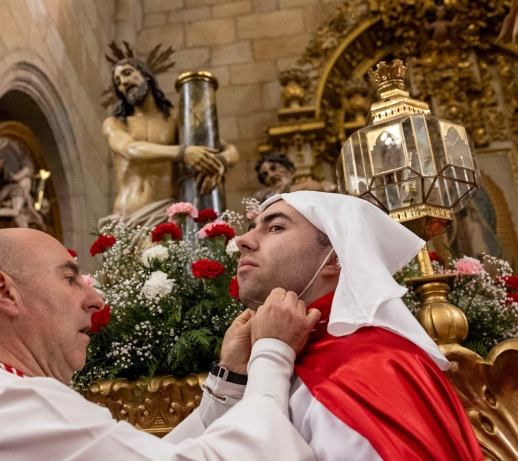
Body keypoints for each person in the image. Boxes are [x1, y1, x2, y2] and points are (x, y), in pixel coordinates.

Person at [0, 228, 322, 461]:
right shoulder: (7, 407)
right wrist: (272, 352)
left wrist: (230, 381)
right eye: (70, 278)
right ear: (4, 292)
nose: (96, 301)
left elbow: (145, 455)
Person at [180, 191, 484, 460]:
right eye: (251, 228)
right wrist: (231, 376)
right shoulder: (273, 360)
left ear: (335, 257)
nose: (241, 241)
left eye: (275, 227)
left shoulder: (371, 366)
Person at [102, 58, 238, 228]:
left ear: (146, 76)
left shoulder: (175, 119)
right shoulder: (116, 123)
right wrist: (183, 153)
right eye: (118, 82)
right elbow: (131, 149)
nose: (123, 82)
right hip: (127, 217)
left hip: (166, 216)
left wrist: (219, 162)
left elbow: (231, 150)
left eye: (128, 73)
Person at [254, 152, 336, 202]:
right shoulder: (261, 198)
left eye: (274, 168)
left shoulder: (313, 185)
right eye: (265, 175)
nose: (271, 175)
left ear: (291, 170)